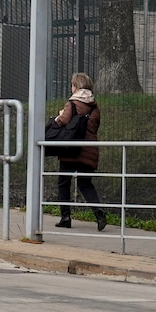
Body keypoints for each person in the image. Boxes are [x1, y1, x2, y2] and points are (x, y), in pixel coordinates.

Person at [53, 73, 106, 231]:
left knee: (64, 183)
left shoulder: (73, 103)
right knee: (85, 184)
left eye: (72, 85)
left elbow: (63, 121)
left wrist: (58, 117)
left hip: (71, 150)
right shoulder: (94, 107)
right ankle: (99, 213)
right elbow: (95, 127)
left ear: (76, 86)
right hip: (89, 150)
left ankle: (65, 217)